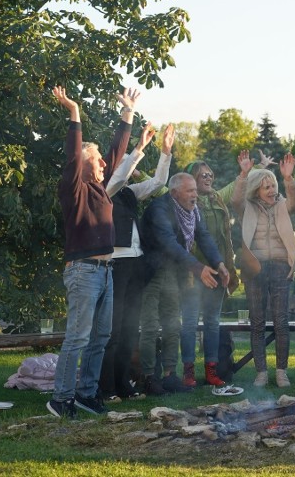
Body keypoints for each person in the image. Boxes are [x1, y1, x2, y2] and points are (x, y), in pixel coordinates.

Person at [48, 85, 139, 419]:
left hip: (106, 271)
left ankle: (87, 394)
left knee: (101, 336)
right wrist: (74, 112)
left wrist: (127, 113)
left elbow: (116, 152)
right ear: (82, 163)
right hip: (83, 270)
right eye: (95, 158)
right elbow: (73, 155)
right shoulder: (74, 190)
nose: (103, 162)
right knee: (78, 337)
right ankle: (61, 398)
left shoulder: (100, 189)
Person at [99, 122, 174, 402]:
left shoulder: (128, 193)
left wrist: (165, 153)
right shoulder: (103, 189)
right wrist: (139, 147)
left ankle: (123, 385)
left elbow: (158, 183)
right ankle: (105, 389)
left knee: (130, 328)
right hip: (115, 265)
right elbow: (119, 176)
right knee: (114, 330)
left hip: (135, 265)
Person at [139, 173, 230, 395]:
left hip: (171, 272)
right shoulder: (159, 210)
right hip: (148, 273)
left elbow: (204, 236)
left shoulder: (193, 212)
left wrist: (220, 263)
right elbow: (169, 243)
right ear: (174, 193)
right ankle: (149, 377)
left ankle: (170, 375)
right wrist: (198, 268)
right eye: (190, 191)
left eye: (195, 191)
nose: (195, 195)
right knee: (150, 326)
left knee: (173, 324)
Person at [232, 150, 295, 388]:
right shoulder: (247, 207)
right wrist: (243, 174)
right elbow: (235, 200)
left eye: (273, 185)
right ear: (256, 191)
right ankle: (261, 372)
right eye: (266, 187)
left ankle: (281, 371)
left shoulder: (283, 205)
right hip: (256, 269)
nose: (272, 190)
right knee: (258, 322)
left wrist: (288, 179)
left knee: (281, 321)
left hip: (281, 267)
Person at [178, 159, 240, 388]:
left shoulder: (217, 198)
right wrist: (140, 176)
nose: (208, 178)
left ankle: (212, 371)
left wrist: (245, 171)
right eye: (202, 175)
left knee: (213, 322)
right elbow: (164, 189)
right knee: (190, 323)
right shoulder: (185, 202)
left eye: (210, 174)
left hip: (217, 269)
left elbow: (235, 185)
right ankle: (188, 372)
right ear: (191, 180)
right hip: (193, 271)